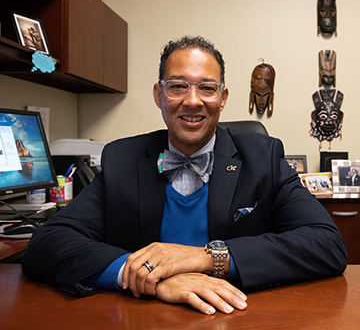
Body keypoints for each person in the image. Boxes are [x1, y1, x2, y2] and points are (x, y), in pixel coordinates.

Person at [22, 36, 347, 315]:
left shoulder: (263, 157)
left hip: (239, 315)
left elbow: (327, 244)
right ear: (158, 95)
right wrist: (151, 277)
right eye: (177, 86)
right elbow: (47, 244)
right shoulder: (122, 159)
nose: (192, 101)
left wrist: (206, 258)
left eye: (207, 88)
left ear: (223, 98)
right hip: (144, 317)